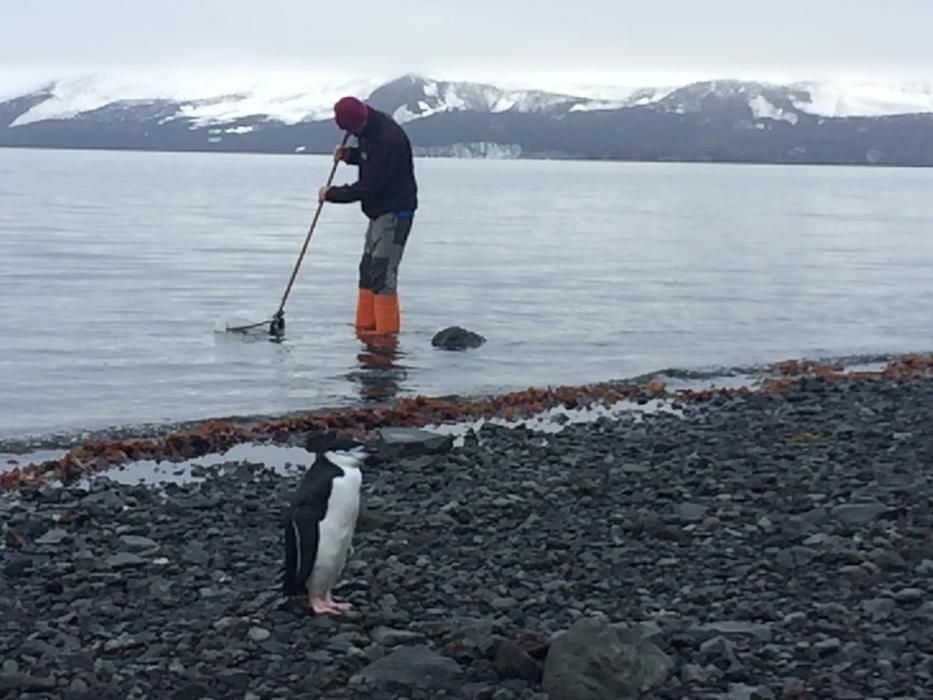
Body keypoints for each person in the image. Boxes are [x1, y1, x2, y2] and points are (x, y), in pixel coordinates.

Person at [318, 96, 418, 339]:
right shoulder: (368, 128)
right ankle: (364, 332)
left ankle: (385, 341)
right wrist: (349, 155)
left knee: (382, 273)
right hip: (376, 212)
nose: (352, 133)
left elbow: (370, 185)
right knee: (367, 270)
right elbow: (367, 157)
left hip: (395, 212)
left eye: (352, 130)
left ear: (361, 120)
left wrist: (332, 194)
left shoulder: (389, 139)